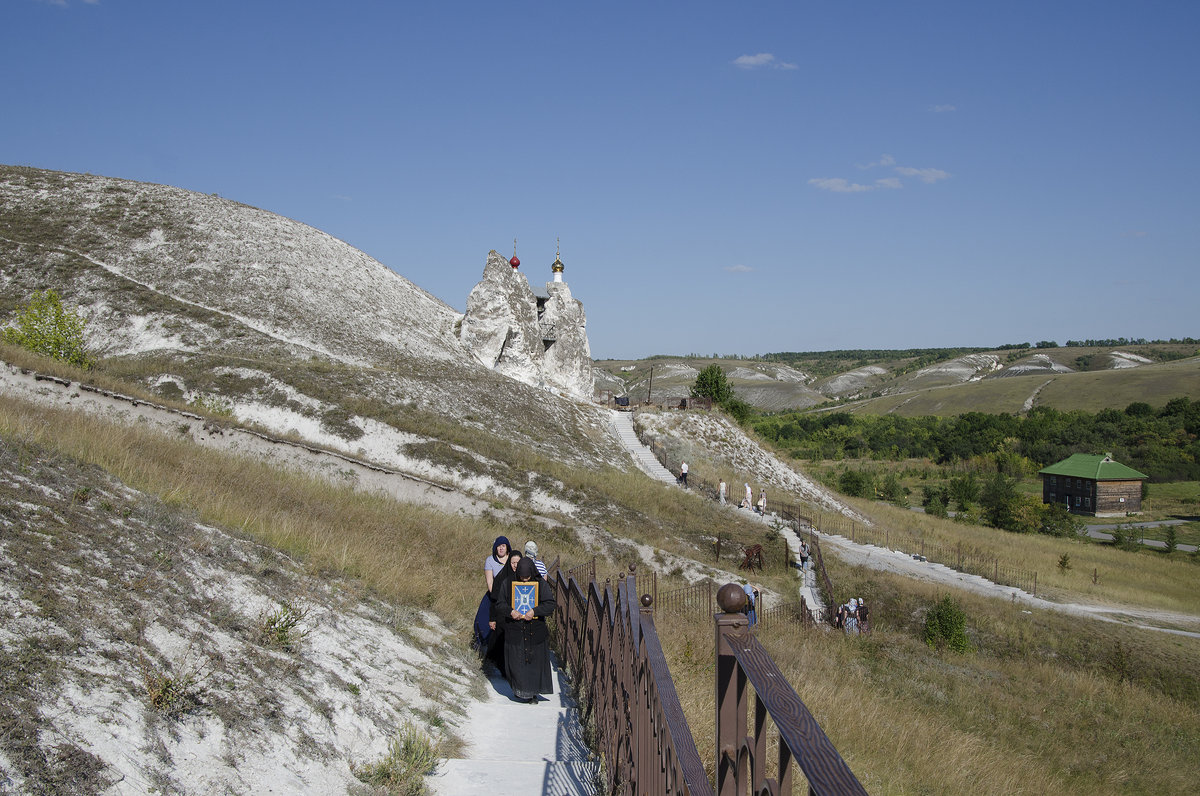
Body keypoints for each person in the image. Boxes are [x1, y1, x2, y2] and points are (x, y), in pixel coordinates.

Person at [497, 557, 556, 703]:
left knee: (533, 665)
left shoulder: (540, 584)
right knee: (516, 663)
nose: (524, 581)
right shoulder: (508, 583)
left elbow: (549, 604)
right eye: (522, 578)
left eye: (527, 577)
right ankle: (520, 690)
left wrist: (534, 612)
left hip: (534, 632)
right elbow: (500, 604)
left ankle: (532, 693)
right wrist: (511, 612)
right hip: (515, 630)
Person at [485, 550, 523, 673]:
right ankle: (503, 670)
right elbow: (494, 600)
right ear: (509, 563)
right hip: (503, 617)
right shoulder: (501, 578)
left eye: (518, 563)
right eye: (513, 562)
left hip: (519, 618)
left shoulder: (526, 578)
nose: (515, 566)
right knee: (502, 644)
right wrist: (492, 618)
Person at [475, 536, 511, 650]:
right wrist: (498, 596)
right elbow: (490, 583)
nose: (501, 548)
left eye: (503, 546)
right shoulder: (490, 560)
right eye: (499, 546)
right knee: (483, 618)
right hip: (495, 594)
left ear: (507, 547)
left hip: (511, 595)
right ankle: (484, 643)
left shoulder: (512, 559)